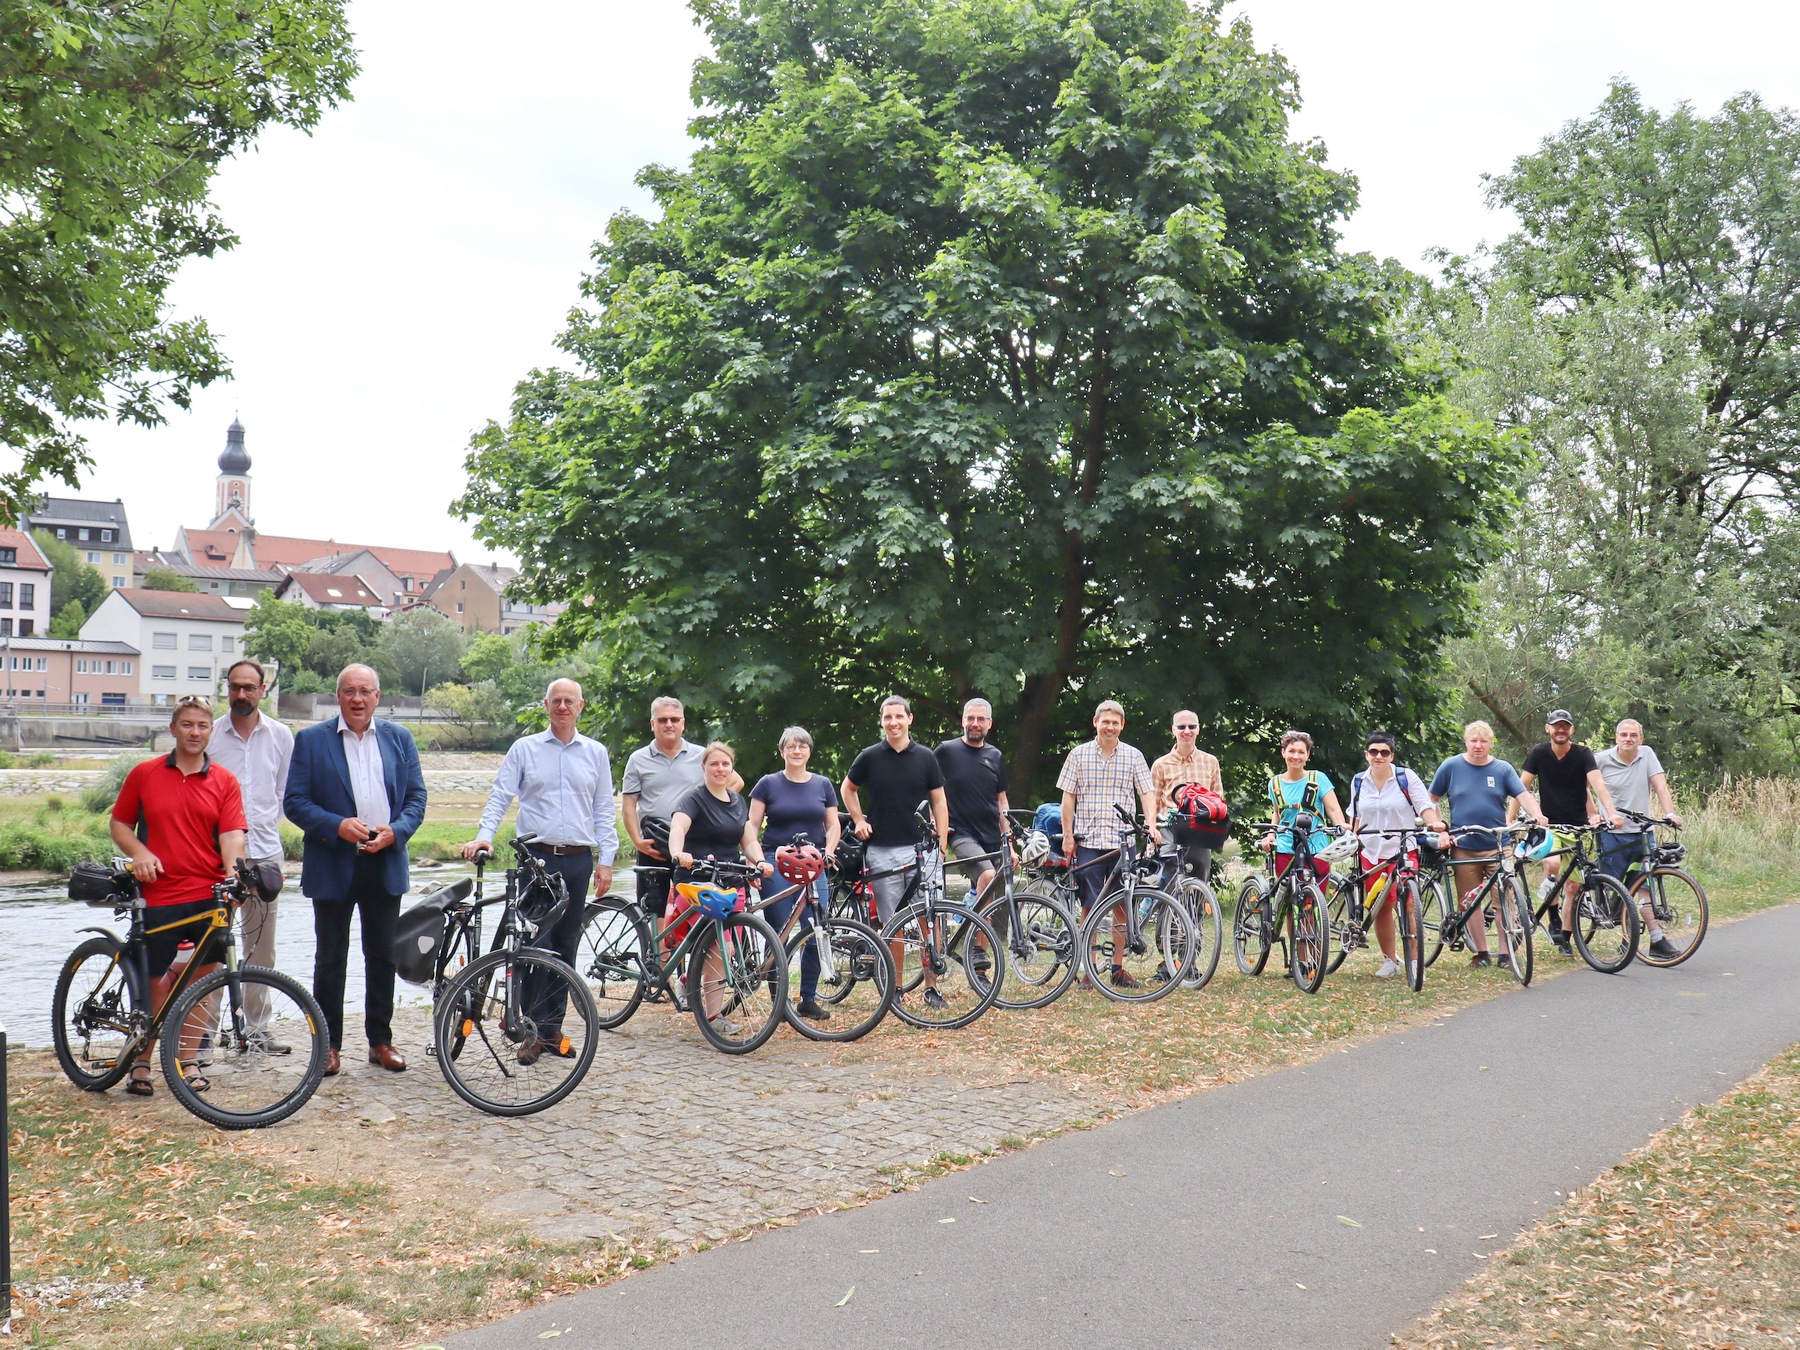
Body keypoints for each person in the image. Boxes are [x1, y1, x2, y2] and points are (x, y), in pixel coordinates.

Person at [460, 678, 618, 1062]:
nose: (563, 707)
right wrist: (485, 836)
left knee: (565, 947)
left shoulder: (595, 753)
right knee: (536, 947)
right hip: (537, 860)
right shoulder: (525, 749)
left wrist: (607, 860)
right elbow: (500, 795)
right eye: (556, 701)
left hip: (579, 859)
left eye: (570, 701)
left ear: (581, 706)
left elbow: (603, 809)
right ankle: (529, 1028)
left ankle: (552, 1031)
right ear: (546, 705)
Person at [283, 664, 427, 1077]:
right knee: (330, 958)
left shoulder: (400, 739)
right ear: (338, 695)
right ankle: (328, 1046)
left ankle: (380, 1040)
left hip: (384, 859)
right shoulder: (311, 740)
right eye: (350, 691)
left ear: (378, 697)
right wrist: (336, 825)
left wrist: (396, 832)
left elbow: (416, 797)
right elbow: (295, 801)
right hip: (333, 860)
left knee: (381, 956)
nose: (358, 699)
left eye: (366, 691)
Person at [110, 695, 248, 1096]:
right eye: (187, 724)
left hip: (207, 893)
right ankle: (141, 1061)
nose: (194, 732)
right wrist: (140, 852)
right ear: (173, 729)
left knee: (203, 982)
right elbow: (120, 823)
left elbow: (232, 835)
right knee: (154, 982)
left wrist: (234, 878)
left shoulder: (224, 780)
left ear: (210, 732)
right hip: (159, 893)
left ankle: (187, 1061)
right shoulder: (145, 773)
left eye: (202, 726)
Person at [206, 658, 294, 1050]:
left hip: (264, 856)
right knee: (210, 946)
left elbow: (283, 794)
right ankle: (204, 1034)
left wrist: (256, 828)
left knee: (261, 949)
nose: (241, 694)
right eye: (235, 686)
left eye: (249, 687)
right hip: (213, 857)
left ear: (263, 691)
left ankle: (256, 1030)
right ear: (227, 688)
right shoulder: (210, 735)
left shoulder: (281, 736)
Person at [842, 696, 951, 1009]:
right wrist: (859, 819)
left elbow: (940, 802)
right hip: (882, 852)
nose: (893, 722)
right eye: (887, 717)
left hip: (923, 851)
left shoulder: (927, 758)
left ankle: (932, 988)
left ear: (909, 719)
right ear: (882, 721)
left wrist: (941, 844)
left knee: (932, 920)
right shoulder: (869, 757)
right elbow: (847, 789)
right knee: (893, 925)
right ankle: (896, 989)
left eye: (898, 717)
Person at [1057, 700, 1161, 989]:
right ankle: (1089, 970)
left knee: (1121, 908)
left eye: (1115, 722)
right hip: (1088, 840)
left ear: (1122, 725)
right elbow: (1068, 797)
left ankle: (1117, 968)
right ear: (1095, 722)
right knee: (1089, 907)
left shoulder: (1133, 756)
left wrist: (1150, 824)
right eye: (1106, 721)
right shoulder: (1078, 755)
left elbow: (1147, 793)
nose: (1110, 726)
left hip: (1122, 842)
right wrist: (1068, 835)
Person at [667, 742, 771, 1027]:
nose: (720, 769)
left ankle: (689, 979)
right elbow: (678, 827)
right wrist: (679, 853)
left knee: (730, 948)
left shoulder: (737, 801)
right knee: (718, 946)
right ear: (704, 768)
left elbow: (748, 839)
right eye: (714, 764)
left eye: (726, 764)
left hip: (730, 880)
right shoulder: (694, 799)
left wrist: (759, 861)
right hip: (697, 882)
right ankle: (713, 1018)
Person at [1429, 720, 1547, 970]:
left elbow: (1522, 794)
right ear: (1466, 742)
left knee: (1504, 899)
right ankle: (1481, 953)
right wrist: (1439, 825)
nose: (1478, 745)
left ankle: (1506, 954)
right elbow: (1430, 799)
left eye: (1483, 741)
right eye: (1474, 740)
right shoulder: (1450, 767)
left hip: (1498, 845)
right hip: (1463, 846)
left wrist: (1537, 813)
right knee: (1469, 901)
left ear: (1491, 743)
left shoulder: (1502, 769)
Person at [620, 697, 742, 936]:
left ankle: (692, 969)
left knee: (694, 908)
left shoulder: (701, 756)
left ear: (683, 723)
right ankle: (662, 970)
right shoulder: (638, 759)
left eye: (674, 719)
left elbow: (735, 782)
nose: (669, 724)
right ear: (652, 724)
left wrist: (710, 811)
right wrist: (636, 840)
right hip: (653, 843)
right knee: (655, 909)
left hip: (692, 844)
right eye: (663, 720)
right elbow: (628, 806)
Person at [747, 726, 841, 1021]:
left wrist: (830, 850)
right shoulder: (767, 784)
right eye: (791, 746)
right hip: (776, 861)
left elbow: (833, 824)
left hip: (813, 863)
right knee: (778, 932)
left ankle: (808, 999)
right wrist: (758, 860)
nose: (797, 751)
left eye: (802, 746)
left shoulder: (823, 784)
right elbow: (751, 824)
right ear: (782, 751)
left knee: (817, 930)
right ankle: (779, 1001)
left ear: (809, 751)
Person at [1345, 729, 1450, 978]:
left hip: (1403, 847)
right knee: (1382, 906)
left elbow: (1424, 806)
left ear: (1392, 755)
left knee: (1409, 903)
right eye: (1374, 752)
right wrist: (1350, 835)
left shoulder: (1405, 777)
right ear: (1366, 755)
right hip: (1371, 851)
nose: (1378, 756)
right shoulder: (1359, 781)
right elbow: (1355, 815)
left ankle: (1415, 962)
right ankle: (1389, 960)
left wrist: (1434, 823)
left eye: (1384, 752)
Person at [1519, 710, 1623, 957]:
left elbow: (1598, 785)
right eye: (1556, 726)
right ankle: (1553, 917)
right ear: (1548, 729)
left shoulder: (1583, 754)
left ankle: (1565, 936)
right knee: (1552, 864)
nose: (1560, 730)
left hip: (1576, 826)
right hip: (1549, 826)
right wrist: (1509, 819)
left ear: (1572, 730)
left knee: (1574, 886)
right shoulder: (1539, 753)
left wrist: (1610, 813)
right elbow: (1520, 787)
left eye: (1565, 726)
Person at [1593, 718, 1684, 960]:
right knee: (1617, 890)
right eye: (1623, 734)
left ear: (1641, 739)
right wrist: (1594, 814)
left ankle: (1656, 939)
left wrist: (1670, 813)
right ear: (1616, 738)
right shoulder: (1601, 759)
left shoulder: (1647, 755)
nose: (1628, 739)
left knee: (1646, 886)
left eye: (1633, 735)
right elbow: (1584, 784)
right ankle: (1627, 937)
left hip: (1642, 832)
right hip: (1612, 834)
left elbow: (1661, 786)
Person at [935, 698, 1012, 905]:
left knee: (990, 898)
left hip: (991, 835)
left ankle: (970, 912)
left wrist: (1009, 843)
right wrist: (934, 821)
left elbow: (1002, 801)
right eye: (970, 718)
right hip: (961, 833)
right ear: (962, 721)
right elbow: (930, 789)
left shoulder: (995, 756)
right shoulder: (946, 751)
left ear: (989, 723)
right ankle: (973, 915)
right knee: (987, 875)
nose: (975, 723)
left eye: (980, 719)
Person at [1150, 709, 1223, 884]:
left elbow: (1218, 797)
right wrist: (1152, 833)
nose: (1187, 731)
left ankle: (1195, 912)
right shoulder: (1160, 765)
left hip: (1200, 828)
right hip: (1170, 829)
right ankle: (1161, 909)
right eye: (1181, 727)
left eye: (1192, 726)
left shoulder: (1210, 761)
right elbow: (1153, 804)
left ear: (1198, 729)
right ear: (1173, 730)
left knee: (1199, 880)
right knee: (1167, 879)